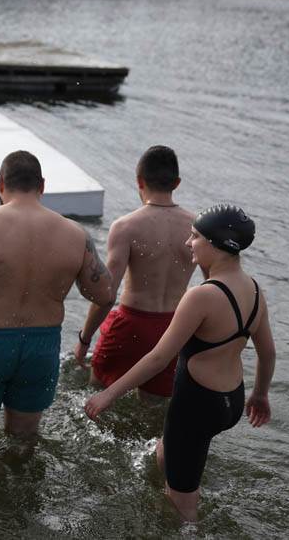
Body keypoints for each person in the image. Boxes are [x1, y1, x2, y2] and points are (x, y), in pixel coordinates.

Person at [85, 205, 275, 523]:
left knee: (182, 505)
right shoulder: (254, 289)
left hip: (198, 404)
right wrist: (260, 395)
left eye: (195, 237)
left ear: (219, 244)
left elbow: (159, 357)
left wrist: (109, 394)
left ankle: (187, 525)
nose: (188, 243)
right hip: (231, 399)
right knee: (168, 450)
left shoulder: (201, 297)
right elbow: (267, 352)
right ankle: (172, 467)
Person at [0, 150, 113, 448]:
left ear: (1, 184)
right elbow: (105, 295)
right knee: (24, 440)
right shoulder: (75, 234)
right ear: (42, 185)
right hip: (41, 347)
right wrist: (83, 337)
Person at [75, 146, 196, 400]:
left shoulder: (126, 227)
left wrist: (84, 339)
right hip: (174, 328)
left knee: (96, 397)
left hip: (131, 325)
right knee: (154, 413)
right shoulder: (197, 227)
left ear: (139, 181)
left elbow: (107, 294)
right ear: (177, 183)